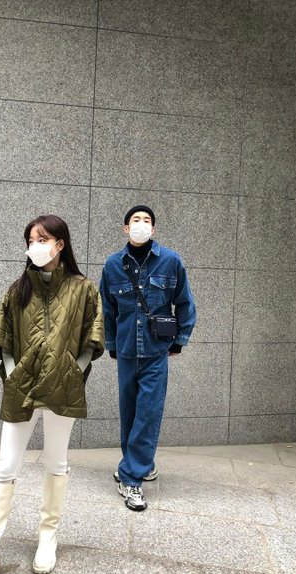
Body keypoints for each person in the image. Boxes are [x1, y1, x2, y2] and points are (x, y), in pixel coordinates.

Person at [0, 215, 104, 574]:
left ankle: (48, 537)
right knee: (5, 468)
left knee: (56, 463)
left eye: (42, 239)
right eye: (31, 240)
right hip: (22, 388)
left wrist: (74, 372)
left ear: (60, 244)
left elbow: (93, 338)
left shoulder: (83, 289)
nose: (35, 246)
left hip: (62, 387)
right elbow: (4, 338)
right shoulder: (18, 289)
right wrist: (13, 375)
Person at [99, 205, 196, 512]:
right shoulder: (112, 265)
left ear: (153, 229)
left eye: (147, 221)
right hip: (127, 351)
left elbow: (184, 302)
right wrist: (111, 343)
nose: (141, 224)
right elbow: (107, 309)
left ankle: (131, 478)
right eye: (135, 220)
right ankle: (139, 462)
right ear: (126, 228)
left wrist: (180, 339)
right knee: (130, 413)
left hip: (156, 352)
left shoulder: (171, 261)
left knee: (148, 413)